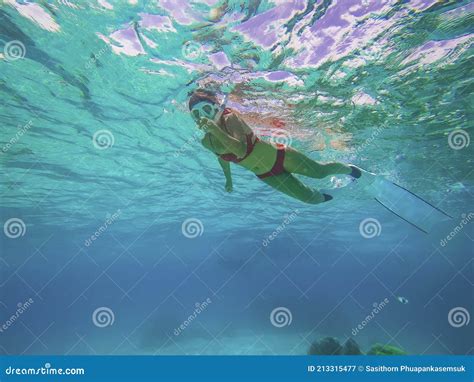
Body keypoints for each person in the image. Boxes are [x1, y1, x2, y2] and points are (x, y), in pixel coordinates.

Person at [189, 89, 361, 204]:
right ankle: (336, 196)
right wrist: (228, 180)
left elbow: (241, 150)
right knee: (310, 199)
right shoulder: (206, 141)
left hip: (279, 156)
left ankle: (350, 169)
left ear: (217, 107)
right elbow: (222, 157)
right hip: (265, 174)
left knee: (319, 173)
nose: (203, 116)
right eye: (196, 114)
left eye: (206, 109)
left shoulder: (230, 119)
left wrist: (214, 129)